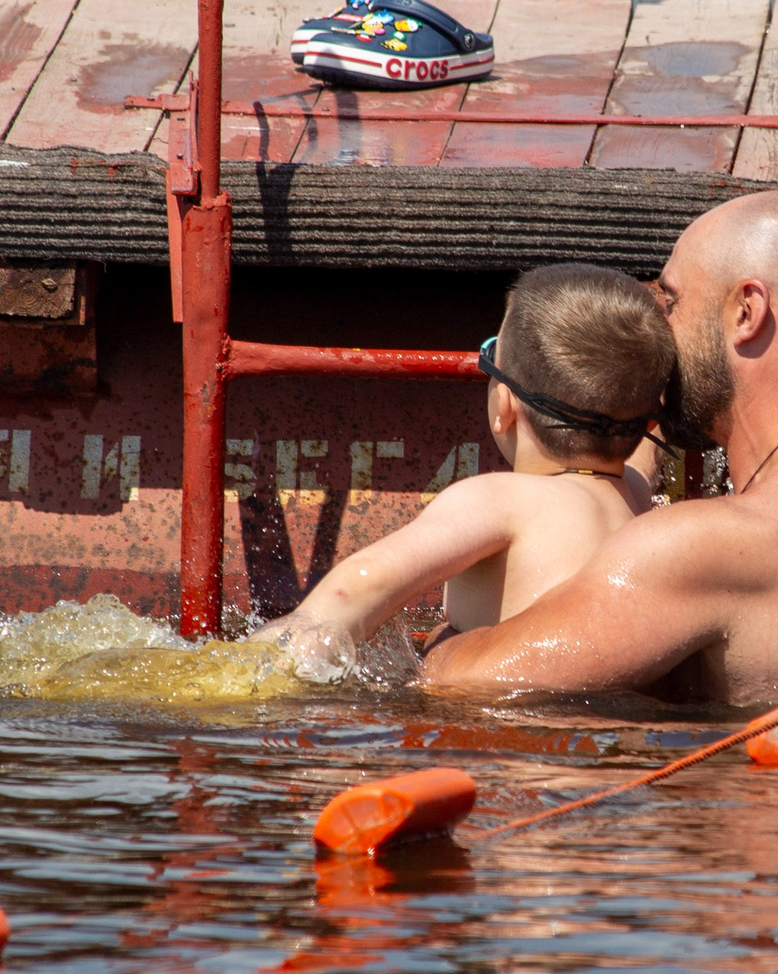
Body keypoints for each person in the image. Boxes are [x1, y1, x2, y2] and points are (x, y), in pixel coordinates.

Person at [421, 190, 778, 705]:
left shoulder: (711, 545)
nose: (656, 331)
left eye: (670, 301)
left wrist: (452, 634)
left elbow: (467, 680)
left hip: (749, 820)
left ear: (747, 312)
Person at [250, 263, 675, 680]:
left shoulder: (501, 500)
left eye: (489, 354)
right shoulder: (634, 493)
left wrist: (279, 647)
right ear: (648, 425)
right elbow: (645, 454)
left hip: (509, 730)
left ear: (503, 407)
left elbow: (369, 581)